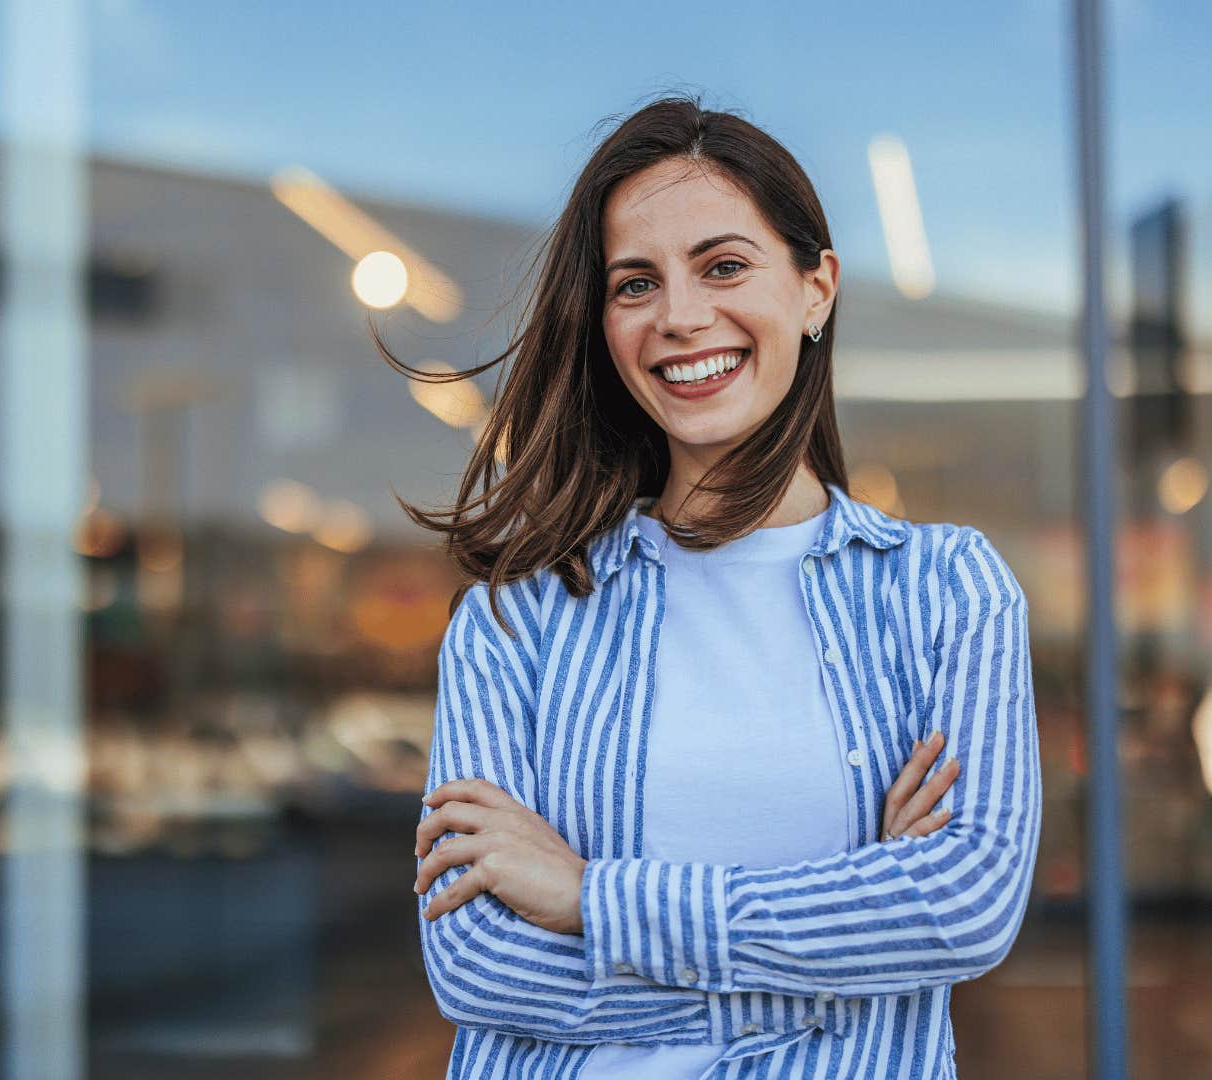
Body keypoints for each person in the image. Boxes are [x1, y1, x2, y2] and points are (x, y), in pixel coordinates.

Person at [393, 95, 1042, 1080]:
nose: (681, 317)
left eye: (724, 265)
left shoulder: (948, 595)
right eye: (635, 283)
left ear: (816, 288)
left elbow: (964, 906)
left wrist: (590, 899)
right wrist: (851, 931)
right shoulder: (512, 622)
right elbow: (478, 965)